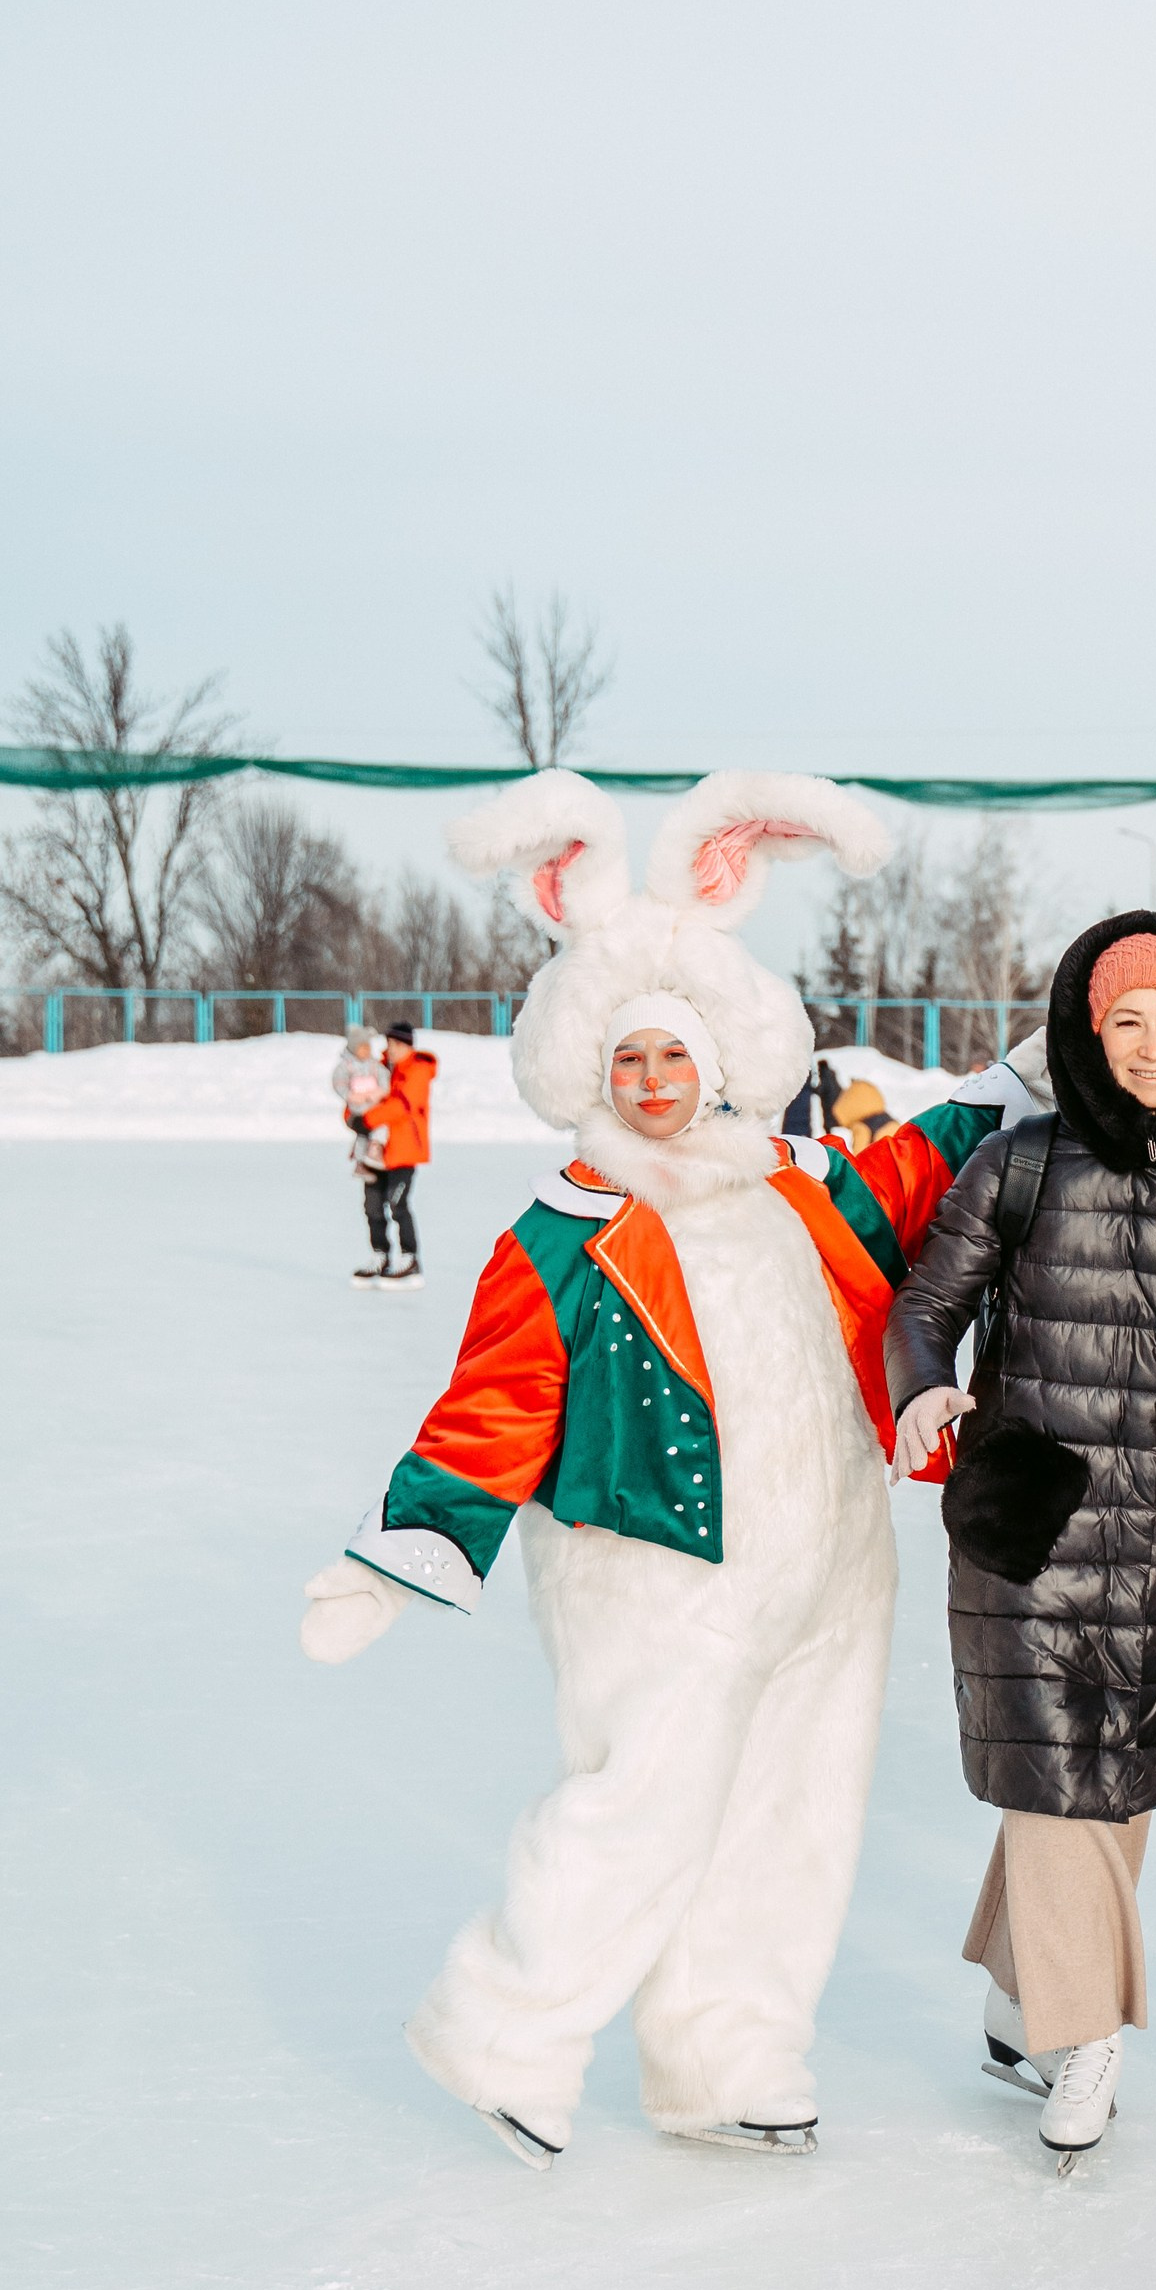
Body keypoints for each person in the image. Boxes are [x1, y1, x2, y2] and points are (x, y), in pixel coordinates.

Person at [299, 768, 1030, 2166]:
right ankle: (501, 2025)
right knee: (644, 1798)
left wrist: (1006, 1088)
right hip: (660, 1566)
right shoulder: (567, 1231)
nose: (651, 1083)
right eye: (628, 1059)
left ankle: (728, 2051)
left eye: (673, 1058)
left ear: (719, 1062)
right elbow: (494, 1400)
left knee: (791, 1813)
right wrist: (402, 1551)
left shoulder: (794, 1180)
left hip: (825, 1565)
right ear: (593, 1068)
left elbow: (911, 1176)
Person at [885, 914, 1156, 2172]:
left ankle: (1020, 1997)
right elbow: (928, 1301)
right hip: (1039, 1514)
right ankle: (1084, 2027)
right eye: (1129, 1022)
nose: (1153, 1046)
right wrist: (920, 1389)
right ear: (1086, 1033)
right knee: (1054, 1771)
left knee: (1121, 1779)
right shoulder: (1021, 1161)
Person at [355, 1020, 438, 1286]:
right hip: (375, 1152)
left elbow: (400, 1106)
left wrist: (366, 1120)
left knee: (397, 1203)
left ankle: (410, 1259)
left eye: (397, 1044)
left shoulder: (418, 1070)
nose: (391, 1049)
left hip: (404, 1151)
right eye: (389, 1043)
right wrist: (352, 1116)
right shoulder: (379, 1068)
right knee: (372, 1205)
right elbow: (358, 1095)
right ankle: (380, 1255)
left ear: (408, 1046)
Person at [330, 1027, 396, 1282]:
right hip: (361, 1108)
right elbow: (339, 1085)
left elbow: (386, 1086)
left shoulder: (376, 1067)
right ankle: (363, 1161)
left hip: (377, 1113)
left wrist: (377, 1093)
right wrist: (353, 1097)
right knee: (373, 1206)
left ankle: (401, 1256)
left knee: (394, 1206)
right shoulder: (346, 1066)